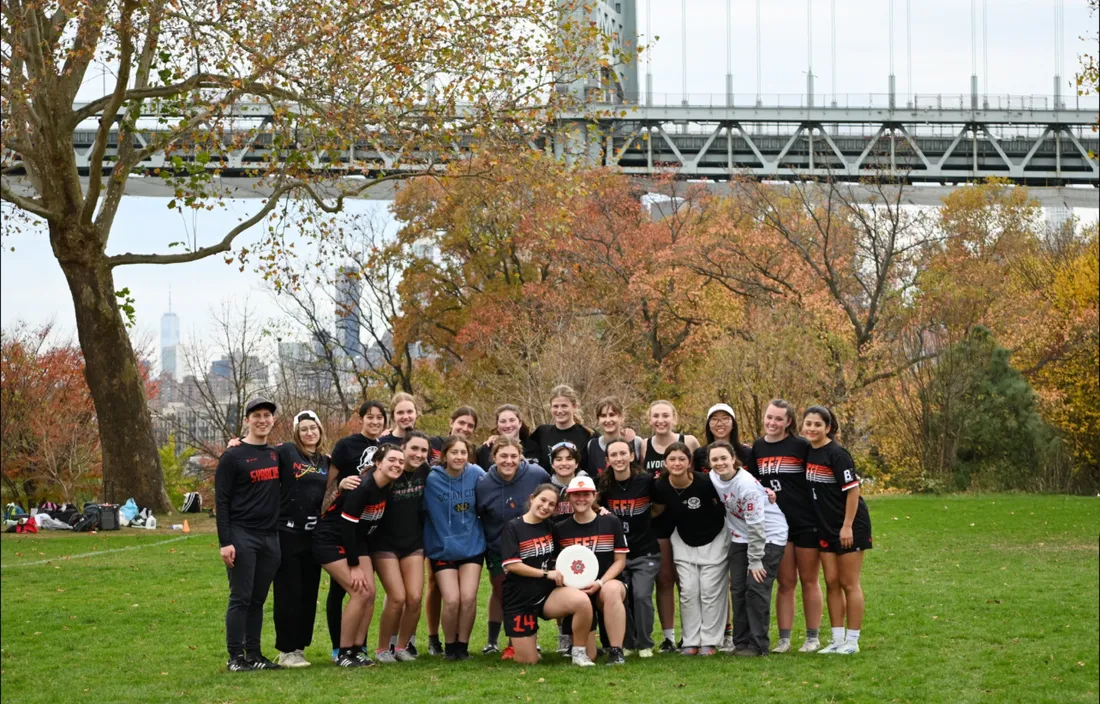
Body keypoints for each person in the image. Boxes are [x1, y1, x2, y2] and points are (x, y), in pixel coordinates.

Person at [340, 431, 432, 663]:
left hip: (413, 542)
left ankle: (401, 646)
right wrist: (342, 483)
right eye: (414, 449)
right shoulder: (388, 473)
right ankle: (382, 649)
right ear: (404, 448)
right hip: (384, 543)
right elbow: (363, 484)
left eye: (424, 450)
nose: (418, 454)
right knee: (397, 597)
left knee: (414, 598)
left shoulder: (425, 471)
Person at [312, 444, 404, 667]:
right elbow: (346, 527)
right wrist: (353, 565)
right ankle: (343, 653)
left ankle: (357, 649)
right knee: (359, 591)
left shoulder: (386, 486)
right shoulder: (363, 486)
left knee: (370, 593)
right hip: (330, 540)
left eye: (401, 462)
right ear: (378, 463)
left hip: (357, 540)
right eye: (392, 460)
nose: (397, 465)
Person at [749, 399, 823, 654]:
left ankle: (813, 637)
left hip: (805, 522)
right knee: (786, 581)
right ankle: (784, 639)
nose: (773, 423)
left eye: (779, 419)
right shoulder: (757, 447)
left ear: (789, 422)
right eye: (769, 417)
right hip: (777, 526)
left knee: (809, 580)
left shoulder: (801, 446)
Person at [216, 396, 283, 672]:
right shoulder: (233, 455)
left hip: (270, 537)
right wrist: (225, 542)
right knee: (241, 598)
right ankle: (235, 657)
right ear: (247, 420)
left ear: (273, 420)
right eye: (256, 415)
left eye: (267, 415)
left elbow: (312, 455)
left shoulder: (276, 454)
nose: (262, 420)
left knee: (258, 600)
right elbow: (220, 501)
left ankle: (254, 654)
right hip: (242, 535)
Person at [500, 483, 597, 667]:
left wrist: (602, 511)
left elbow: (581, 523)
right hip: (520, 598)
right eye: (542, 500)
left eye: (551, 504)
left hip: (547, 595)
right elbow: (512, 565)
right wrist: (546, 574)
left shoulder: (551, 528)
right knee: (529, 661)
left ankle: (578, 653)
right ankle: (527, 644)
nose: (545, 507)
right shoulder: (512, 527)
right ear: (532, 498)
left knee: (582, 601)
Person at [802, 406, 872, 655]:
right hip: (825, 527)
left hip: (849, 527)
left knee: (848, 583)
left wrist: (847, 526)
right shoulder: (808, 451)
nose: (812, 428)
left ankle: (852, 641)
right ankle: (837, 639)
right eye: (808, 423)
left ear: (828, 428)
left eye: (817, 424)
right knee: (831, 582)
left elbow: (853, 491)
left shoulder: (838, 454)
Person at [708, 441, 788, 657]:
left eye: (724, 458)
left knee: (756, 587)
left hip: (768, 536)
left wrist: (755, 560)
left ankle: (758, 644)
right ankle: (741, 641)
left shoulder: (746, 485)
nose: (719, 463)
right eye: (714, 459)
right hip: (740, 536)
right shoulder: (714, 477)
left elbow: (757, 527)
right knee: (738, 588)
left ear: (733, 458)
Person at [323, 400, 388, 661]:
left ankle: (358, 647)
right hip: (343, 522)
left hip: (370, 527)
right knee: (342, 589)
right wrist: (339, 486)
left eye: (379, 418)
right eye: (370, 417)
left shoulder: (386, 447)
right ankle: (339, 646)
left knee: (366, 589)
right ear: (361, 419)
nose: (374, 422)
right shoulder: (346, 445)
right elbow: (328, 483)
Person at [475, 437, 551, 657]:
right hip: (498, 547)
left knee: (526, 592)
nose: (508, 461)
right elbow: (479, 513)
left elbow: (551, 497)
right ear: (494, 457)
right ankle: (493, 641)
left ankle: (520, 640)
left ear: (520, 456)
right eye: (503, 456)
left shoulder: (537, 474)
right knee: (502, 591)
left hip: (530, 546)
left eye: (513, 456)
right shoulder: (483, 483)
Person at [651, 442, 728, 656]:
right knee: (689, 591)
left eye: (681, 459)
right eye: (672, 459)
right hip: (683, 541)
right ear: (665, 463)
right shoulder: (660, 486)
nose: (677, 463)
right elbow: (654, 509)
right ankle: (691, 641)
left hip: (714, 539)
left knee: (710, 591)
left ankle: (710, 642)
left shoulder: (706, 482)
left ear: (689, 462)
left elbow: (731, 493)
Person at [640, 400, 700, 654]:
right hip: (660, 520)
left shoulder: (690, 441)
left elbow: (701, 476)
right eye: (656, 416)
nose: (661, 420)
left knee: (690, 582)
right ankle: (668, 637)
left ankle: (694, 634)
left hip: (689, 518)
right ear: (649, 419)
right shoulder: (643, 445)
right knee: (665, 580)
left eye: (666, 415)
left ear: (674, 417)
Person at [272, 410, 331, 668]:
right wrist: (238, 442)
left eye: (313, 428)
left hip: (313, 535)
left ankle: (299, 647)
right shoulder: (286, 452)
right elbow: (260, 452)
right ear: (297, 432)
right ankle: (286, 650)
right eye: (304, 429)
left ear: (320, 430)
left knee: (308, 593)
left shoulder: (325, 461)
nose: (309, 433)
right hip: (287, 533)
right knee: (289, 592)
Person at [554, 475, 630, 666]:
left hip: (606, 585)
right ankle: (583, 644)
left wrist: (600, 582)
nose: (581, 499)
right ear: (568, 498)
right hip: (577, 592)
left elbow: (620, 561)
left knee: (611, 590)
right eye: (576, 495)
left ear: (594, 496)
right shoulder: (560, 528)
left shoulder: (610, 521)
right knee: (590, 656)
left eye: (586, 494)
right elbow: (558, 565)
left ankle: (616, 651)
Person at [423, 436, 486, 660]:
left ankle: (463, 646)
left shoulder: (477, 473)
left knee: (468, 598)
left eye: (463, 452)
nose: (459, 457)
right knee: (451, 600)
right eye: (454, 453)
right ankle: (450, 647)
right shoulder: (432, 479)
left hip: (472, 545)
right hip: (442, 547)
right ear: (445, 455)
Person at [599, 438, 660, 657]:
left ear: (632, 456)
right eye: (613, 455)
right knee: (620, 597)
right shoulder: (604, 485)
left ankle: (644, 643)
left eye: (623, 453)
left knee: (642, 596)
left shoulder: (645, 480)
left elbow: (659, 506)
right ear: (607, 460)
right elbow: (594, 505)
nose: (619, 458)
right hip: (617, 554)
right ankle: (625, 641)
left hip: (645, 550)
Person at [528, 385, 594, 471]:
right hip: (548, 483)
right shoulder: (541, 433)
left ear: (574, 407)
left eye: (564, 406)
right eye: (555, 406)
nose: (559, 411)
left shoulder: (588, 434)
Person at [584, 397, 642, 477]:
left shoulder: (636, 442)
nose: (608, 420)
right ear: (598, 420)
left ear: (621, 417)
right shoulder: (592, 445)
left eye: (612, 415)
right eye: (603, 416)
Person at [476, 404, 539, 469]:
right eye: (503, 421)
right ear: (497, 426)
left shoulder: (533, 447)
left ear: (520, 423)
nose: (508, 425)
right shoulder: (486, 450)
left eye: (512, 420)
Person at [693, 403, 750, 471]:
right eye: (714, 419)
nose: (719, 424)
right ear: (708, 426)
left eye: (725, 418)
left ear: (733, 424)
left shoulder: (747, 453)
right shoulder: (699, 454)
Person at [549, 441, 586, 522]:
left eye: (569, 459)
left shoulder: (588, 485)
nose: (564, 463)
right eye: (559, 459)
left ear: (576, 463)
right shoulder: (547, 489)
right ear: (552, 464)